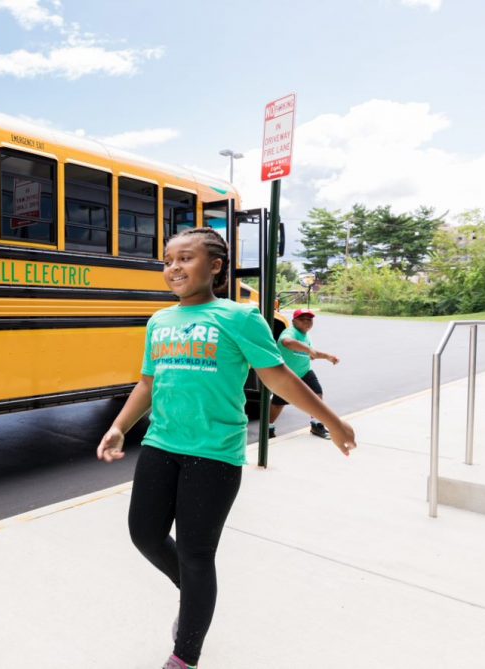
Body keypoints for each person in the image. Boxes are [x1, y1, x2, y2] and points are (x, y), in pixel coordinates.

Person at [96, 227, 356, 669]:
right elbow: (148, 381)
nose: (174, 268)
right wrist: (121, 426)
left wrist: (331, 420)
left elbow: (277, 377)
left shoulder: (239, 317)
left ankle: (186, 654)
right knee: (144, 534)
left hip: (214, 453)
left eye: (185, 258)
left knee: (198, 554)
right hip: (161, 444)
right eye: (167, 260)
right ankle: (197, 594)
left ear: (215, 266)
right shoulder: (159, 321)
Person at [269, 309, 339, 439]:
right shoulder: (290, 332)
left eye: (309, 320)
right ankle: (268, 428)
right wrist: (308, 349)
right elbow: (287, 342)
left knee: (317, 394)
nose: (307, 322)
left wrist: (328, 357)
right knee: (278, 403)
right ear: (294, 321)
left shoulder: (306, 336)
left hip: (305, 371)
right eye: (302, 319)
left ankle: (316, 425)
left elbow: (312, 354)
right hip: (287, 374)